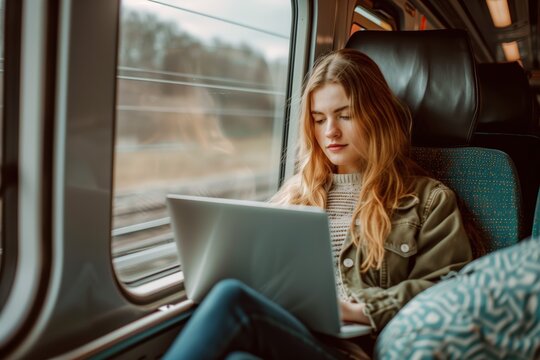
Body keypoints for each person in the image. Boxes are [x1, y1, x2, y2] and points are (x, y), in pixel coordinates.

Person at [163, 49, 474, 359]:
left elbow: (447, 290)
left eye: (345, 115)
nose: (330, 132)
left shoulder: (428, 201)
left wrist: (360, 310)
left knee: (232, 300)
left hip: (353, 350)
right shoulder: (295, 193)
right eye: (319, 119)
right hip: (290, 333)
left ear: (377, 115)